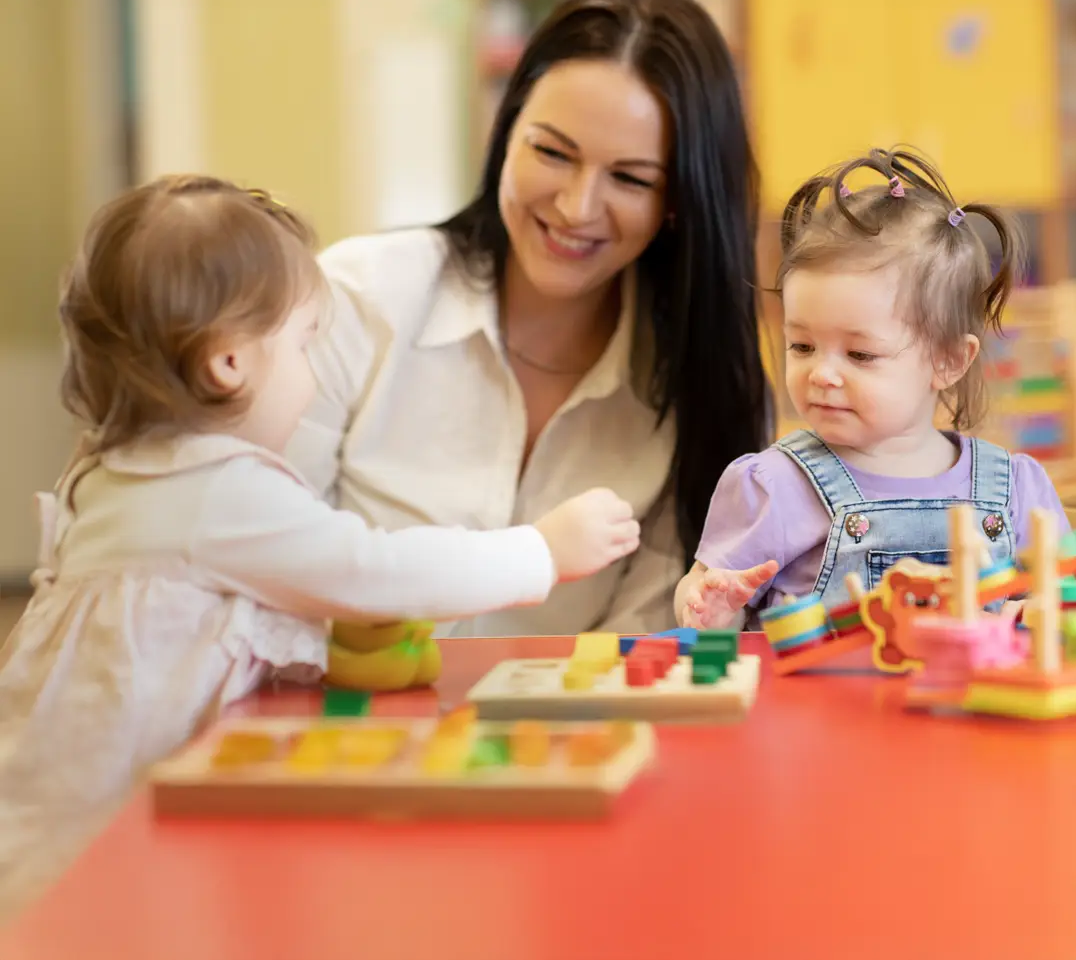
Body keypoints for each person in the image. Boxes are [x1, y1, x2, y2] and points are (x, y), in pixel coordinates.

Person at [0, 175, 638, 923]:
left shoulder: (117, 472)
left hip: (57, 818)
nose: (312, 371)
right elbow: (377, 572)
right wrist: (540, 550)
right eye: (304, 343)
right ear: (228, 363)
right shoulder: (215, 495)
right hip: (103, 843)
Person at [287, 0, 770, 636]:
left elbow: (648, 653)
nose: (575, 207)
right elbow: (261, 556)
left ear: (679, 202)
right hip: (330, 729)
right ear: (504, 131)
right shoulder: (355, 298)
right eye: (551, 152)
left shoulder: (699, 388)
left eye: (629, 179)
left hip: (566, 738)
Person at [676, 147, 1068, 630]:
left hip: (974, 704)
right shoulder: (773, 486)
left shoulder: (1015, 490)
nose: (822, 373)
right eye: (802, 346)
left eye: (860, 355)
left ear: (948, 361)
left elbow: (1059, 604)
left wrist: (1040, 611)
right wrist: (708, 605)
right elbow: (705, 612)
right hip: (821, 707)